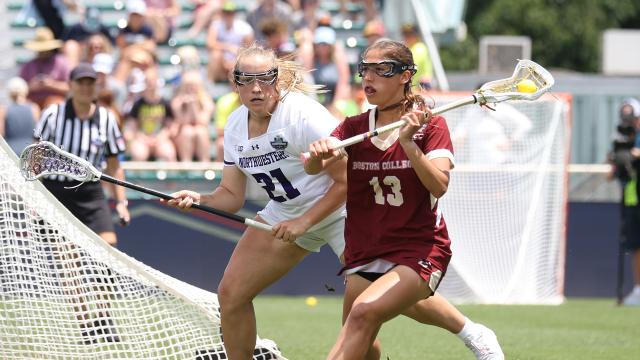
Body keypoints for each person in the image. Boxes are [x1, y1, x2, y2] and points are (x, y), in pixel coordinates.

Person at [306, 40, 504, 360]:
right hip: (366, 248)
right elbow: (314, 167)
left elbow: (439, 186)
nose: (368, 78)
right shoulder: (354, 127)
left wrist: (409, 144)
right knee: (363, 340)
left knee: (362, 314)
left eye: (381, 70)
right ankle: (471, 330)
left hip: (419, 248)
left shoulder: (430, 125)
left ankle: (473, 334)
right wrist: (316, 155)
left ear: (405, 75)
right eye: (364, 70)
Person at [166, 44, 347, 360]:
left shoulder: (303, 114)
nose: (256, 89)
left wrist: (304, 223)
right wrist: (199, 198)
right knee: (231, 294)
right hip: (285, 212)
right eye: (246, 80)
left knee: (369, 309)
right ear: (234, 83)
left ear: (277, 79)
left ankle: (465, 331)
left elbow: (350, 181)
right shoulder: (235, 125)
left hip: (342, 211)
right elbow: (231, 197)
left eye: (264, 79)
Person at [33, 63, 130, 246]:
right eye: (80, 83)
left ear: (97, 87)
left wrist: (121, 202)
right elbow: (35, 158)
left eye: (90, 83)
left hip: (89, 192)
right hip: (56, 191)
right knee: (68, 251)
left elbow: (114, 164)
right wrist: (34, 197)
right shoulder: (53, 115)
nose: (85, 88)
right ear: (70, 85)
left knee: (109, 244)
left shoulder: (107, 119)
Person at [610, 98, 640, 306]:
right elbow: (613, 173)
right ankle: (638, 291)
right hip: (633, 198)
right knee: (636, 245)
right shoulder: (625, 138)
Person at [19, 27, 71, 110]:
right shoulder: (27, 66)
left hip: (55, 102)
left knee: (53, 105)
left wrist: (51, 84)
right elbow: (18, 90)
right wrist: (31, 86)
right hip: (33, 103)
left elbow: (70, 88)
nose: (43, 52)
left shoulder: (61, 63)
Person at [170, 70, 214, 162]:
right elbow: (183, 121)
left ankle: (205, 162)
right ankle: (186, 162)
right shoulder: (177, 101)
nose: (191, 88)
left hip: (201, 133)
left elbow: (202, 121)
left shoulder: (206, 100)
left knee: (200, 131)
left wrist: (193, 105)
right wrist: (189, 105)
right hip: (181, 136)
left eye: (194, 85)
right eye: (188, 85)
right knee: (187, 130)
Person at [0, 77, 40, 155]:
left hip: (11, 152)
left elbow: (1, 135)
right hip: (31, 152)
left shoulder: (3, 110)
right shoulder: (34, 108)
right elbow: (39, 133)